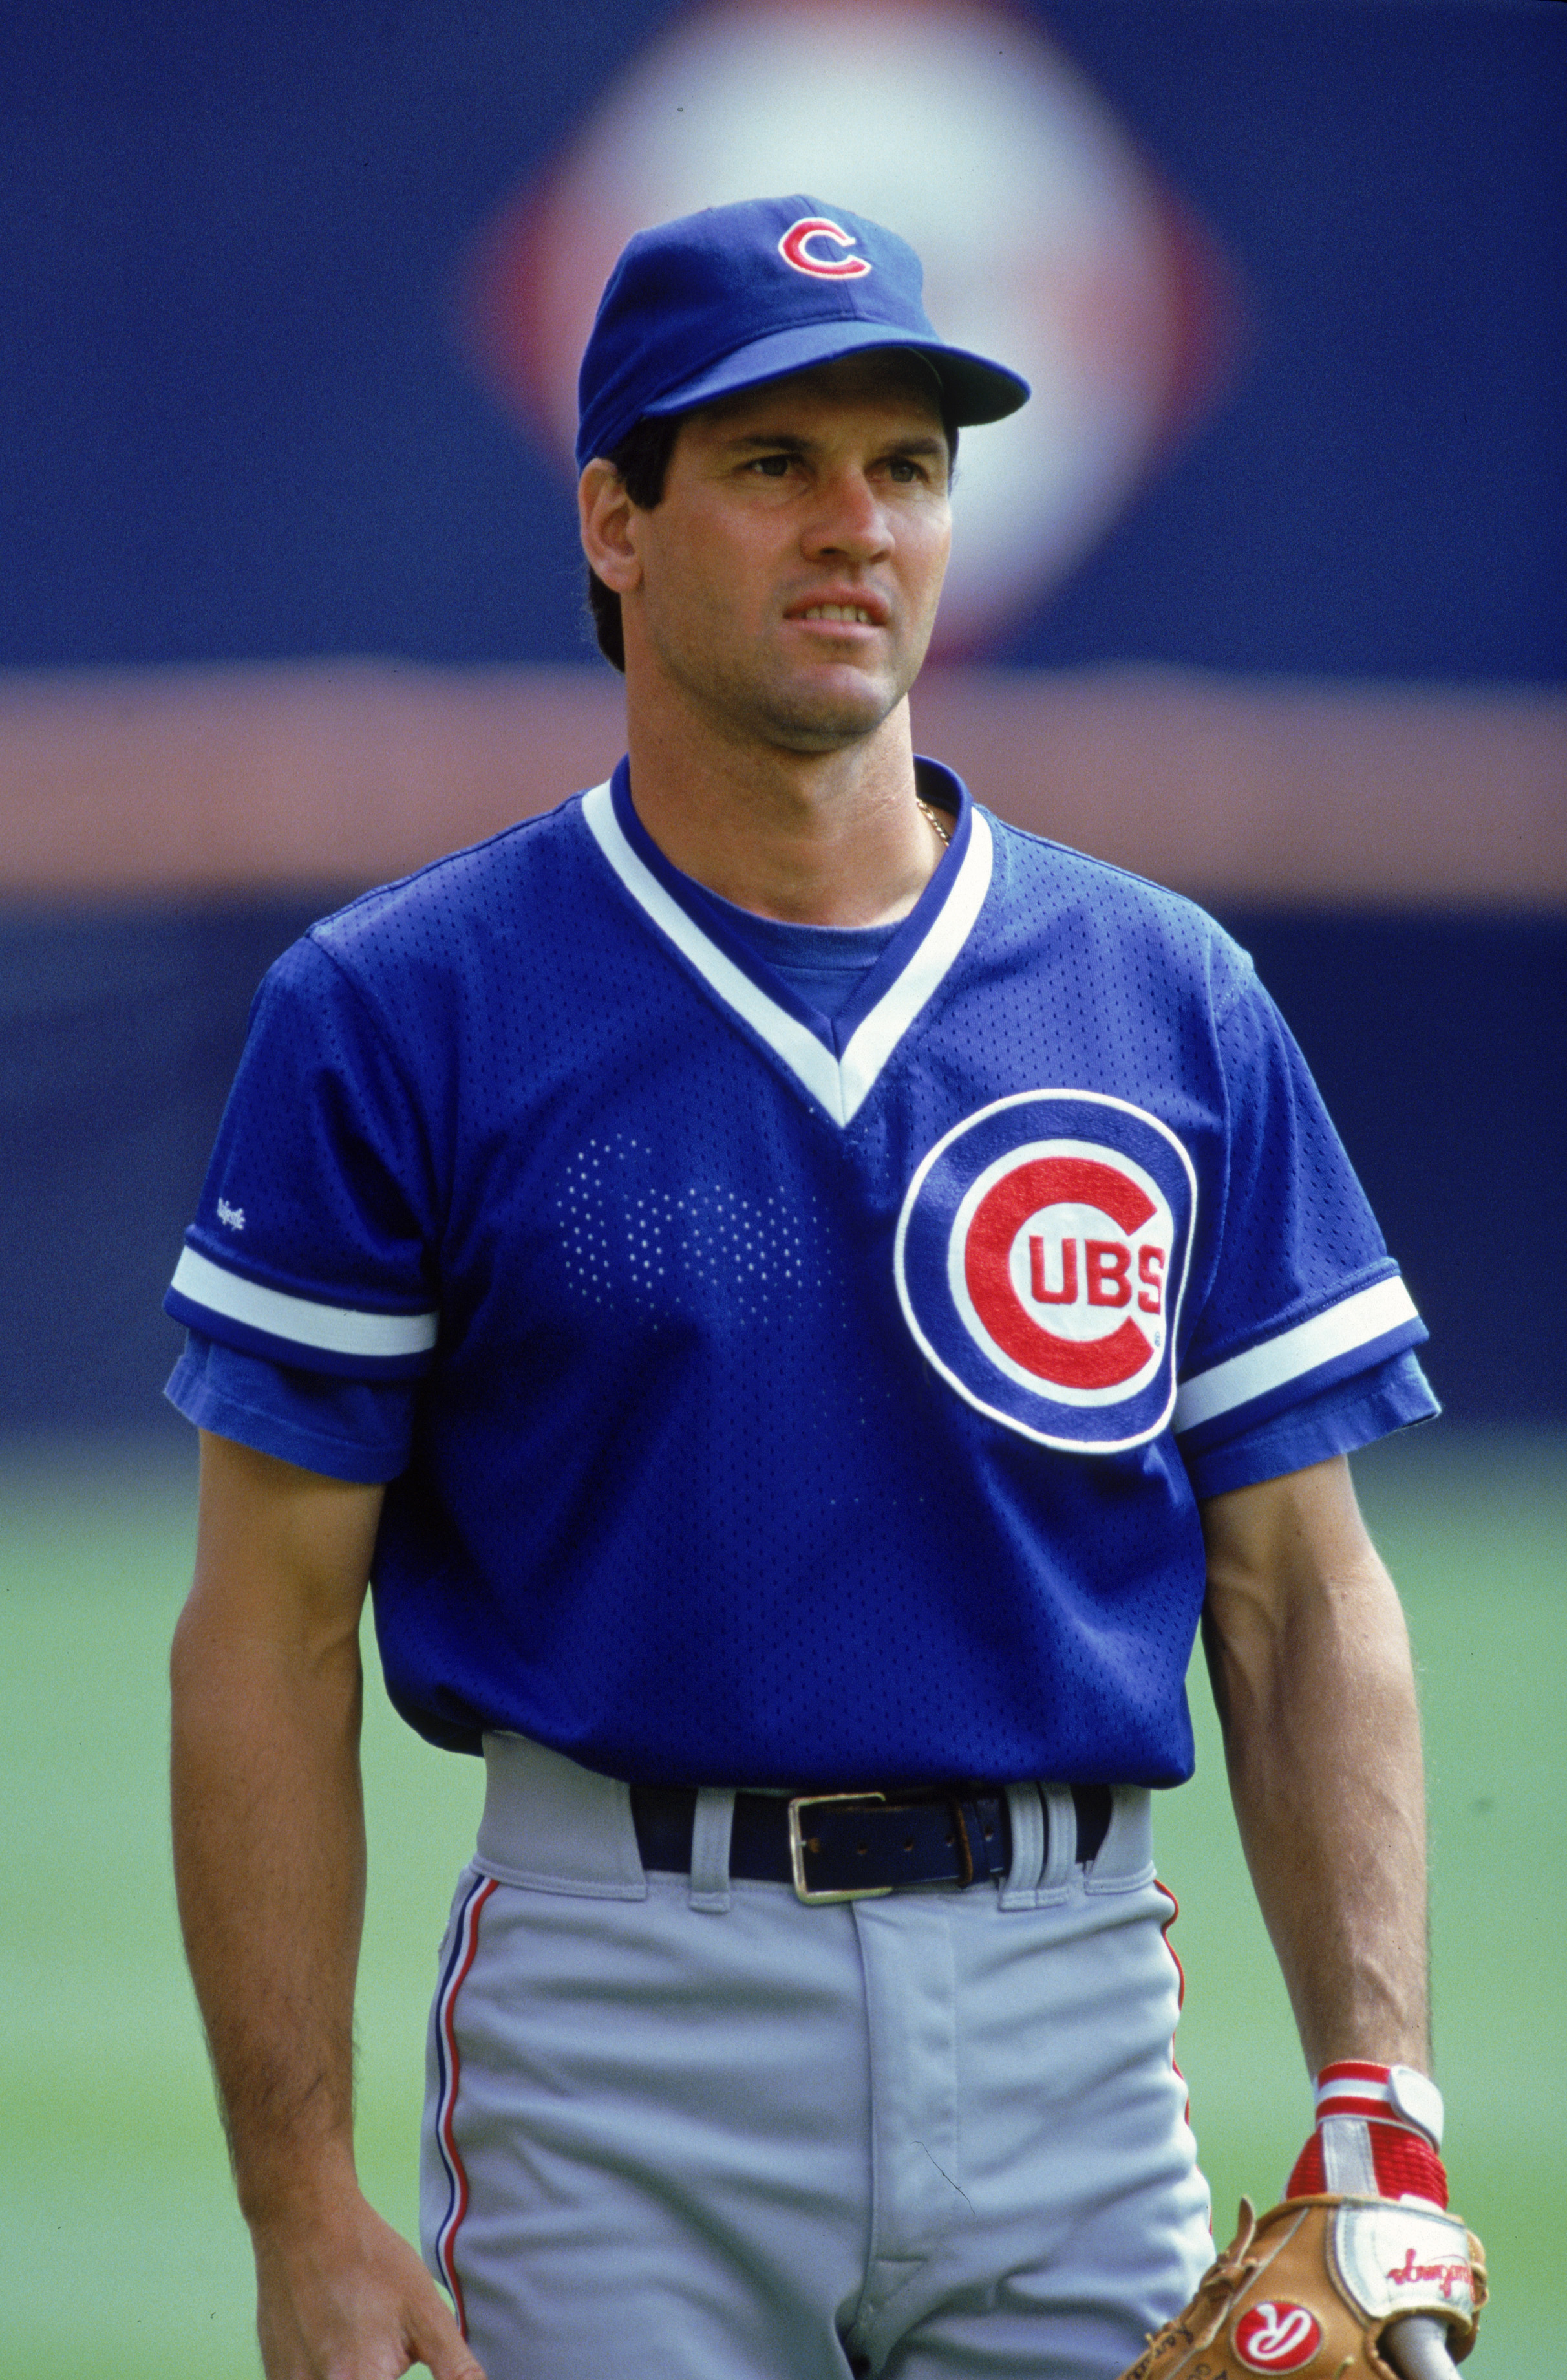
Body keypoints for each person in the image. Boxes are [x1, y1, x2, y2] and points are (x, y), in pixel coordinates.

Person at [165, 197, 1458, 2380]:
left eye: (911, 465)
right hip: (622, 2026)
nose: (855, 525)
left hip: (1071, 2015)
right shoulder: (400, 1007)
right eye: (773, 463)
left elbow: (1301, 1591)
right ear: (614, 519)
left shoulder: (1166, 997)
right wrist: (299, 2205)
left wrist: (1380, 2093)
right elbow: (269, 1627)